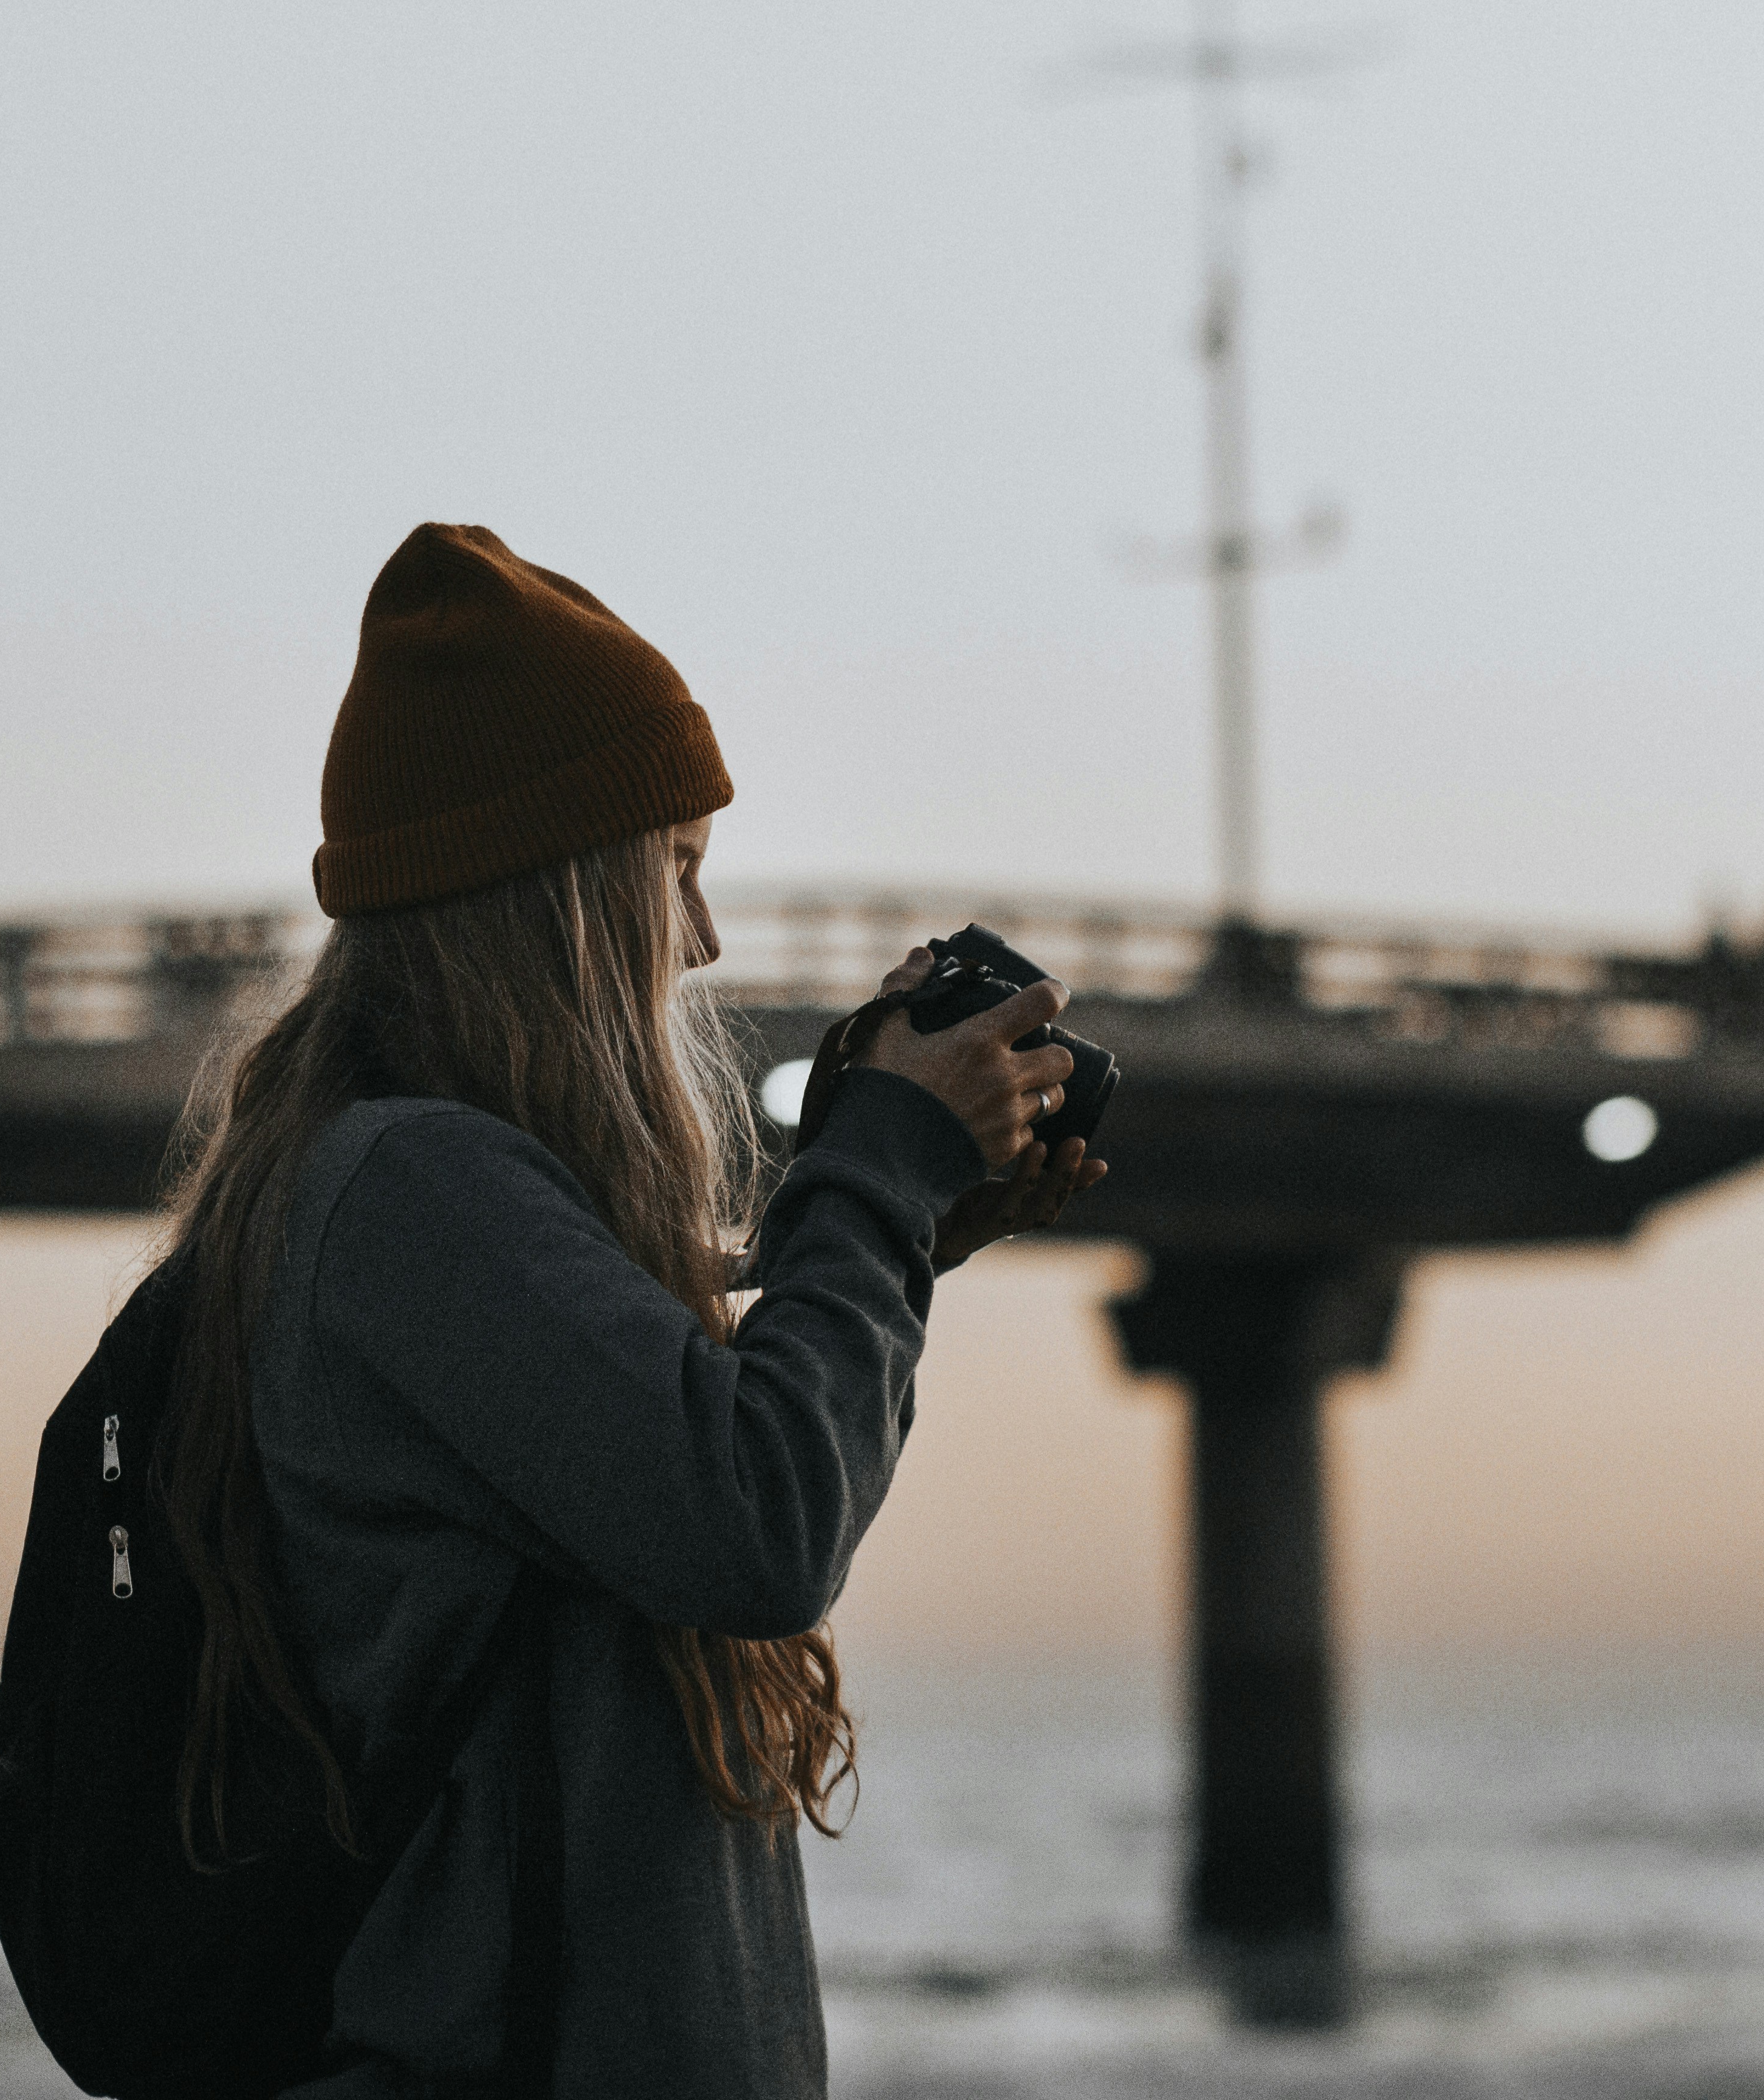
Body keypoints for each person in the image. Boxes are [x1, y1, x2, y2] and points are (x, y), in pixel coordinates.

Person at [153, 523, 1105, 2099]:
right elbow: (754, 1520)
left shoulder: (424, 1198)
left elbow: (665, 1454)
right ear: (563, 894)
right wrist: (868, 1182)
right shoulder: (411, 1191)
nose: (707, 943)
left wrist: (897, 1227)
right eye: (677, 875)